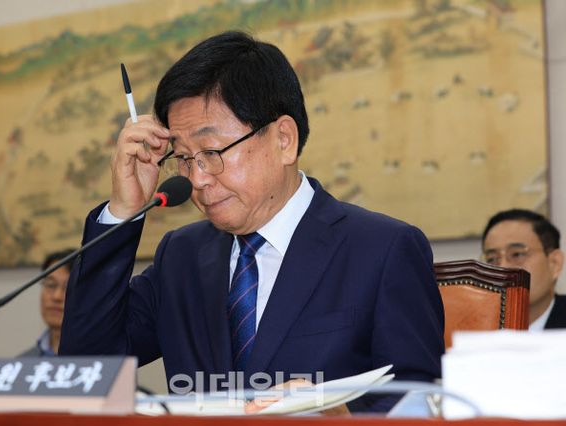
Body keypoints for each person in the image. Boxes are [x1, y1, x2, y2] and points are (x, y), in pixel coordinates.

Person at [59, 31, 444, 413]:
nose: (197, 179)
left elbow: (418, 400)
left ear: (283, 139)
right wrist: (123, 211)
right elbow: (87, 369)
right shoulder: (181, 255)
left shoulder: (382, 249)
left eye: (212, 152)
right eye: (184, 158)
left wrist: (339, 417)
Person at [481, 209, 565, 329]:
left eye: (517, 254)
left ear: (554, 263)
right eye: (492, 259)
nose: (503, 268)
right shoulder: (471, 326)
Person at [19, 249, 75, 356]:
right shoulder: (23, 362)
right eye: (51, 285)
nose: (57, 297)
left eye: (68, 288)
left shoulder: (102, 360)